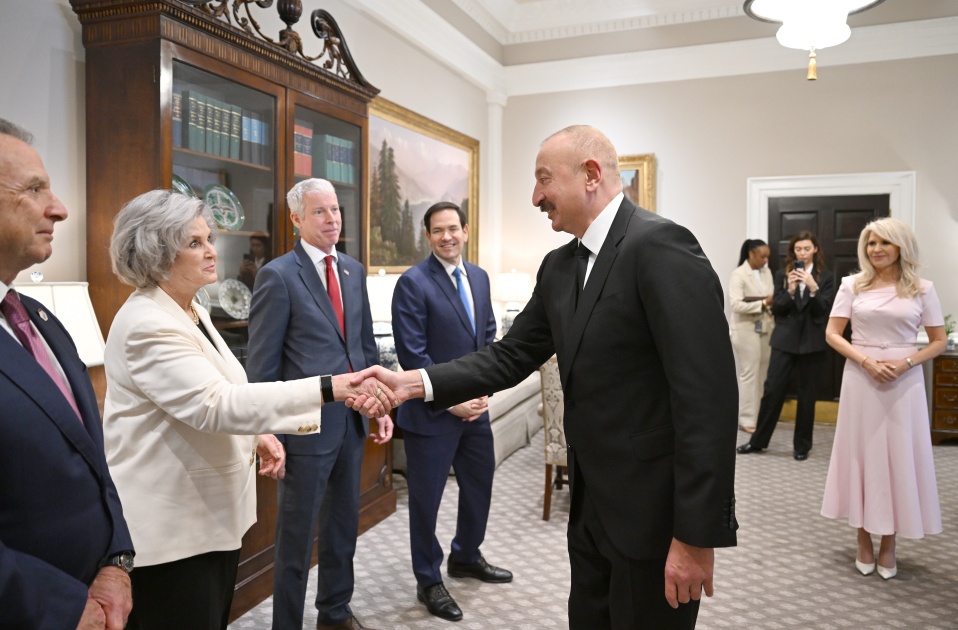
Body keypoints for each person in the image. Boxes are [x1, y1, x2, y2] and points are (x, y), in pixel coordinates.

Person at [350, 125, 739, 630]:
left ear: (591, 176)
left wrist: (695, 537)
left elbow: (707, 400)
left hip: (655, 517)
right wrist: (412, 383)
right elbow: (509, 356)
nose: (535, 197)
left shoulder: (661, 246)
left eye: (543, 180)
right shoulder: (559, 267)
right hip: (590, 508)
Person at [103, 189, 390, 630]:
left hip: (209, 521)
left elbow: (215, 390)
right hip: (174, 531)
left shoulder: (190, 310)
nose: (212, 252)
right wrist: (329, 388)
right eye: (194, 243)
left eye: (209, 238)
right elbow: (217, 403)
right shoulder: (147, 324)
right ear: (156, 253)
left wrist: (257, 434)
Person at [0, 118, 134, 630]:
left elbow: (93, 462)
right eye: (34, 190)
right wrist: (62, 606)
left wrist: (116, 562)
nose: (59, 208)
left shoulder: (41, 320)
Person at [246, 178, 389, 630]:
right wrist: (265, 429)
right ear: (296, 219)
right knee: (295, 539)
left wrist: (380, 404)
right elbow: (262, 365)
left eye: (335, 210)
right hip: (305, 428)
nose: (332, 219)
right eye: (320, 212)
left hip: (350, 423)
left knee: (343, 528)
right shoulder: (278, 275)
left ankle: (334, 612)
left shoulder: (353, 269)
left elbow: (363, 349)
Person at [391, 201, 511, 622]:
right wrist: (451, 399)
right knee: (426, 502)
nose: (447, 236)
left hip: (475, 412)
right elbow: (412, 354)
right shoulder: (412, 282)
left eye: (453, 229)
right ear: (428, 236)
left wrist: (481, 392)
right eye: (437, 230)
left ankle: (466, 555)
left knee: (480, 485)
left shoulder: (477, 277)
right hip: (432, 416)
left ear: (464, 231)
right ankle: (428, 579)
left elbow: (489, 337)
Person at [821, 218, 945, 580]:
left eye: (884, 243)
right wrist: (866, 361)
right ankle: (863, 539)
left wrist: (906, 363)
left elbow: (938, 340)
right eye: (871, 243)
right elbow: (833, 333)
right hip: (861, 377)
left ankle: (889, 544)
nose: (876, 249)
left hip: (904, 383)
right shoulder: (852, 285)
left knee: (897, 457)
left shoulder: (923, 289)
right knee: (862, 454)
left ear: (900, 247)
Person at [737, 231, 835, 460]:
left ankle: (802, 447)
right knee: (772, 391)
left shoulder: (826, 276)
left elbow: (824, 309)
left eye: (807, 249)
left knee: (807, 395)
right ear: (794, 251)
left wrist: (813, 287)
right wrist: (790, 290)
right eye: (798, 249)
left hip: (812, 343)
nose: (802, 253)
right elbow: (777, 309)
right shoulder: (782, 274)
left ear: (815, 250)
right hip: (784, 341)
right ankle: (757, 441)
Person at [729, 239, 775, 433]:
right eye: (762, 256)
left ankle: (759, 416)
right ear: (751, 254)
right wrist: (764, 304)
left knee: (763, 374)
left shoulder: (767, 272)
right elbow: (736, 304)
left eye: (768, 256)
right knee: (749, 374)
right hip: (745, 329)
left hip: (766, 327)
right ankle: (746, 418)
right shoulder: (738, 274)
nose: (766, 260)